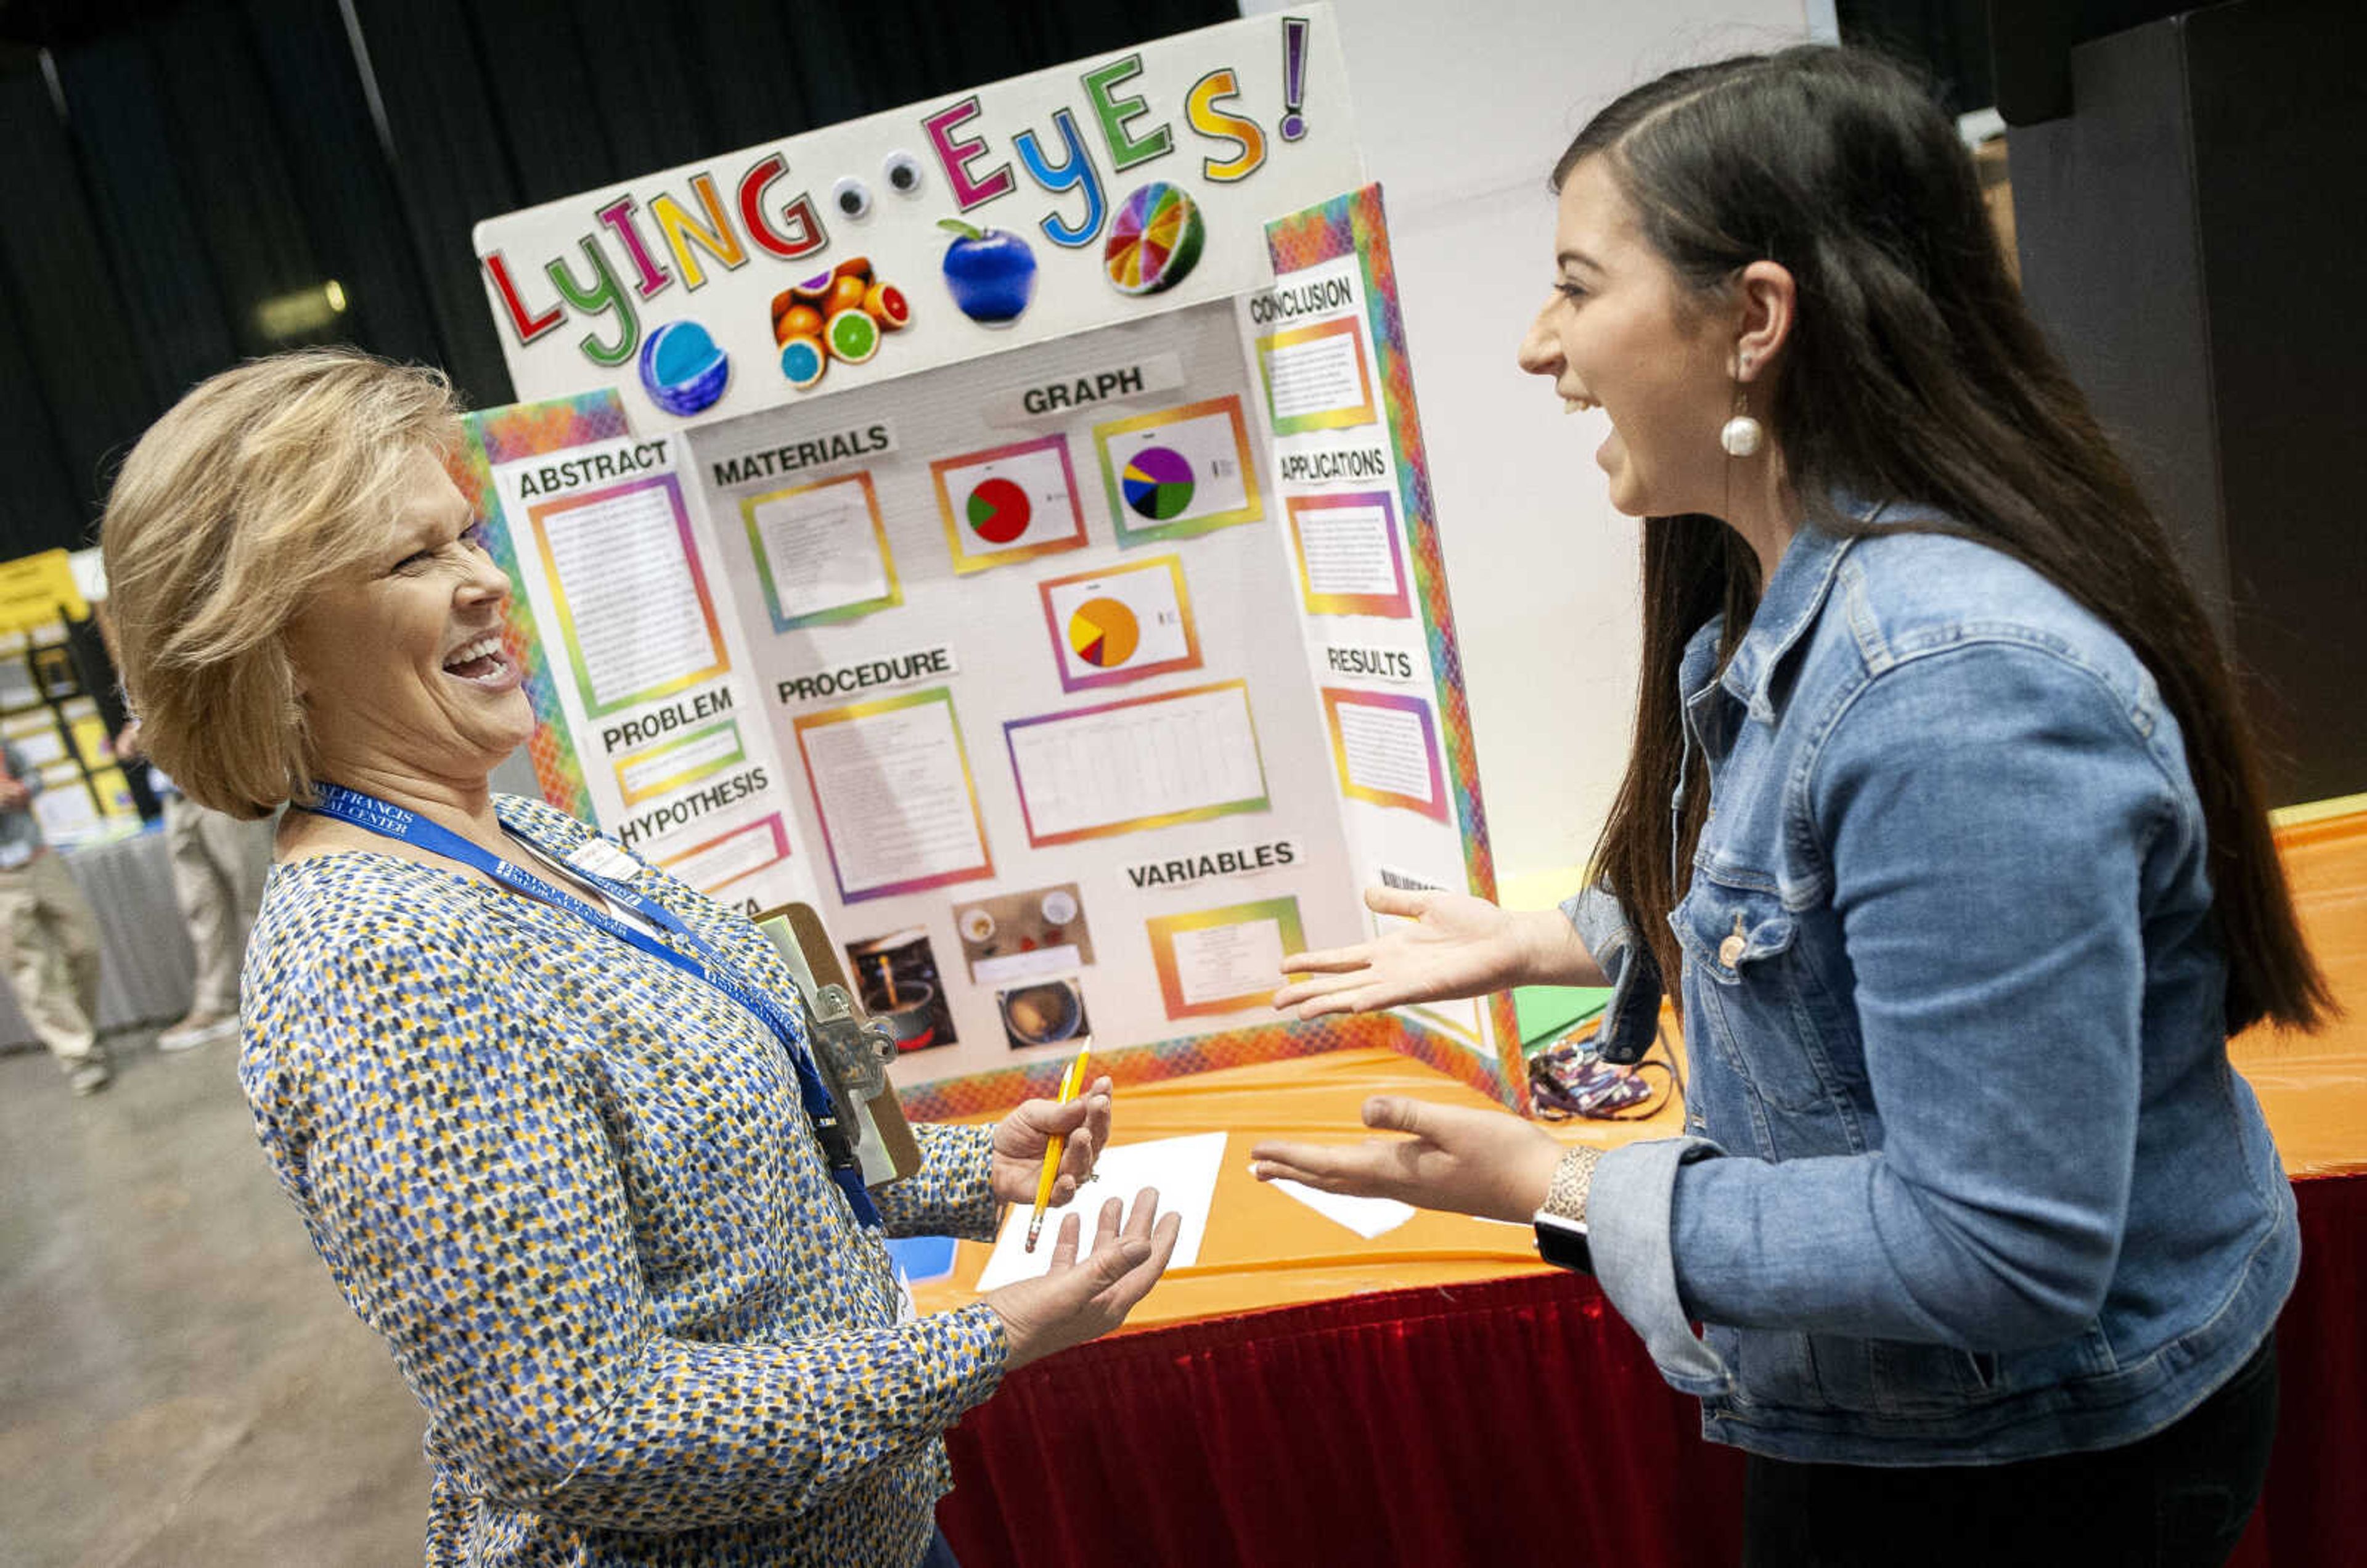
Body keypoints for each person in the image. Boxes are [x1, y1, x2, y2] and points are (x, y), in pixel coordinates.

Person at [1249, 46, 2329, 1568]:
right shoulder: (1810, 608)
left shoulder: (1946, 690)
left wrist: (1553, 1184)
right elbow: (1815, 897)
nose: (1536, 348)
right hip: (1936, 1425)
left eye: (1573, 284)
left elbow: (1998, 1250)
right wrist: (1548, 936)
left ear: (1753, 319)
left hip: (2024, 1463)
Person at [99, 348, 1182, 1568]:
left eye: (465, 537)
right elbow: (584, 1428)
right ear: (271, 651)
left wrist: (966, 1170)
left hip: (863, 1529)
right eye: (415, 560)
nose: (486, 583)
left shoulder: (520, 833)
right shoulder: (381, 966)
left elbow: (724, 1169)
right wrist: (984, 1339)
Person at [112, 719, 273, 1051]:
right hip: (175, 795)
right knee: (202, 907)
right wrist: (134, 733)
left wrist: (156, 727)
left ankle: (286, 994)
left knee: (257, 896)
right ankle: (217, 1004)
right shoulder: (128, 669)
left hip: (219, 779)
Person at [0, 738, 109, 1095]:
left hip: (38, 856)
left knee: (84, 947)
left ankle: (82, 1033)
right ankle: (79, 1057)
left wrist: (22, 790)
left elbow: (32, 775)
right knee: (32, 972)